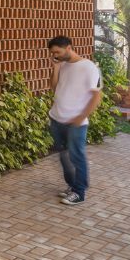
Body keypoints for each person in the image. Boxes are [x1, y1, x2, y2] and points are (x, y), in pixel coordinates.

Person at [47, 35, 101, 205]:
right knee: (64, 156)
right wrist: (56, 68)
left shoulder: (89, 67)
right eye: (52, 52)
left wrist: (82, 117)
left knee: (77, 157)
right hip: (57, 119)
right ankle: (73, 185)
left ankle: (79, 192)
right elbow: (54, 87)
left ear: (69, 47)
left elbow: (96, 96)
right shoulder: (62, 64)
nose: (55, 55)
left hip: (75, 123)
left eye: (57, 52)